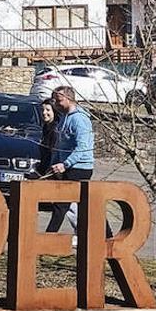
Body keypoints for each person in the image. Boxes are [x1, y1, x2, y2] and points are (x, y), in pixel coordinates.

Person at [45, 85, 101, 235]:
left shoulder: (79, 119)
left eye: (59, 100)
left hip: (79, 169)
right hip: (67, 167)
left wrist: (65, 164)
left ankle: (48, 238)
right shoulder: (64, 118)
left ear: (69, 99)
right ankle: (105, 234)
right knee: (85, 207)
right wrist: (53, 164)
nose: (56, 104)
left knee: (61, 205)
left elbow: (83, 147)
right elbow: (60, 145)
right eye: (54, 101)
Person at [35, 98, 57, 177]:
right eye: (42, 110)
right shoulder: (45, 127)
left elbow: (53, 152)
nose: (44, 113)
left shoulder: (56, 130)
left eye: (48, 110)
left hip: (52, 169)